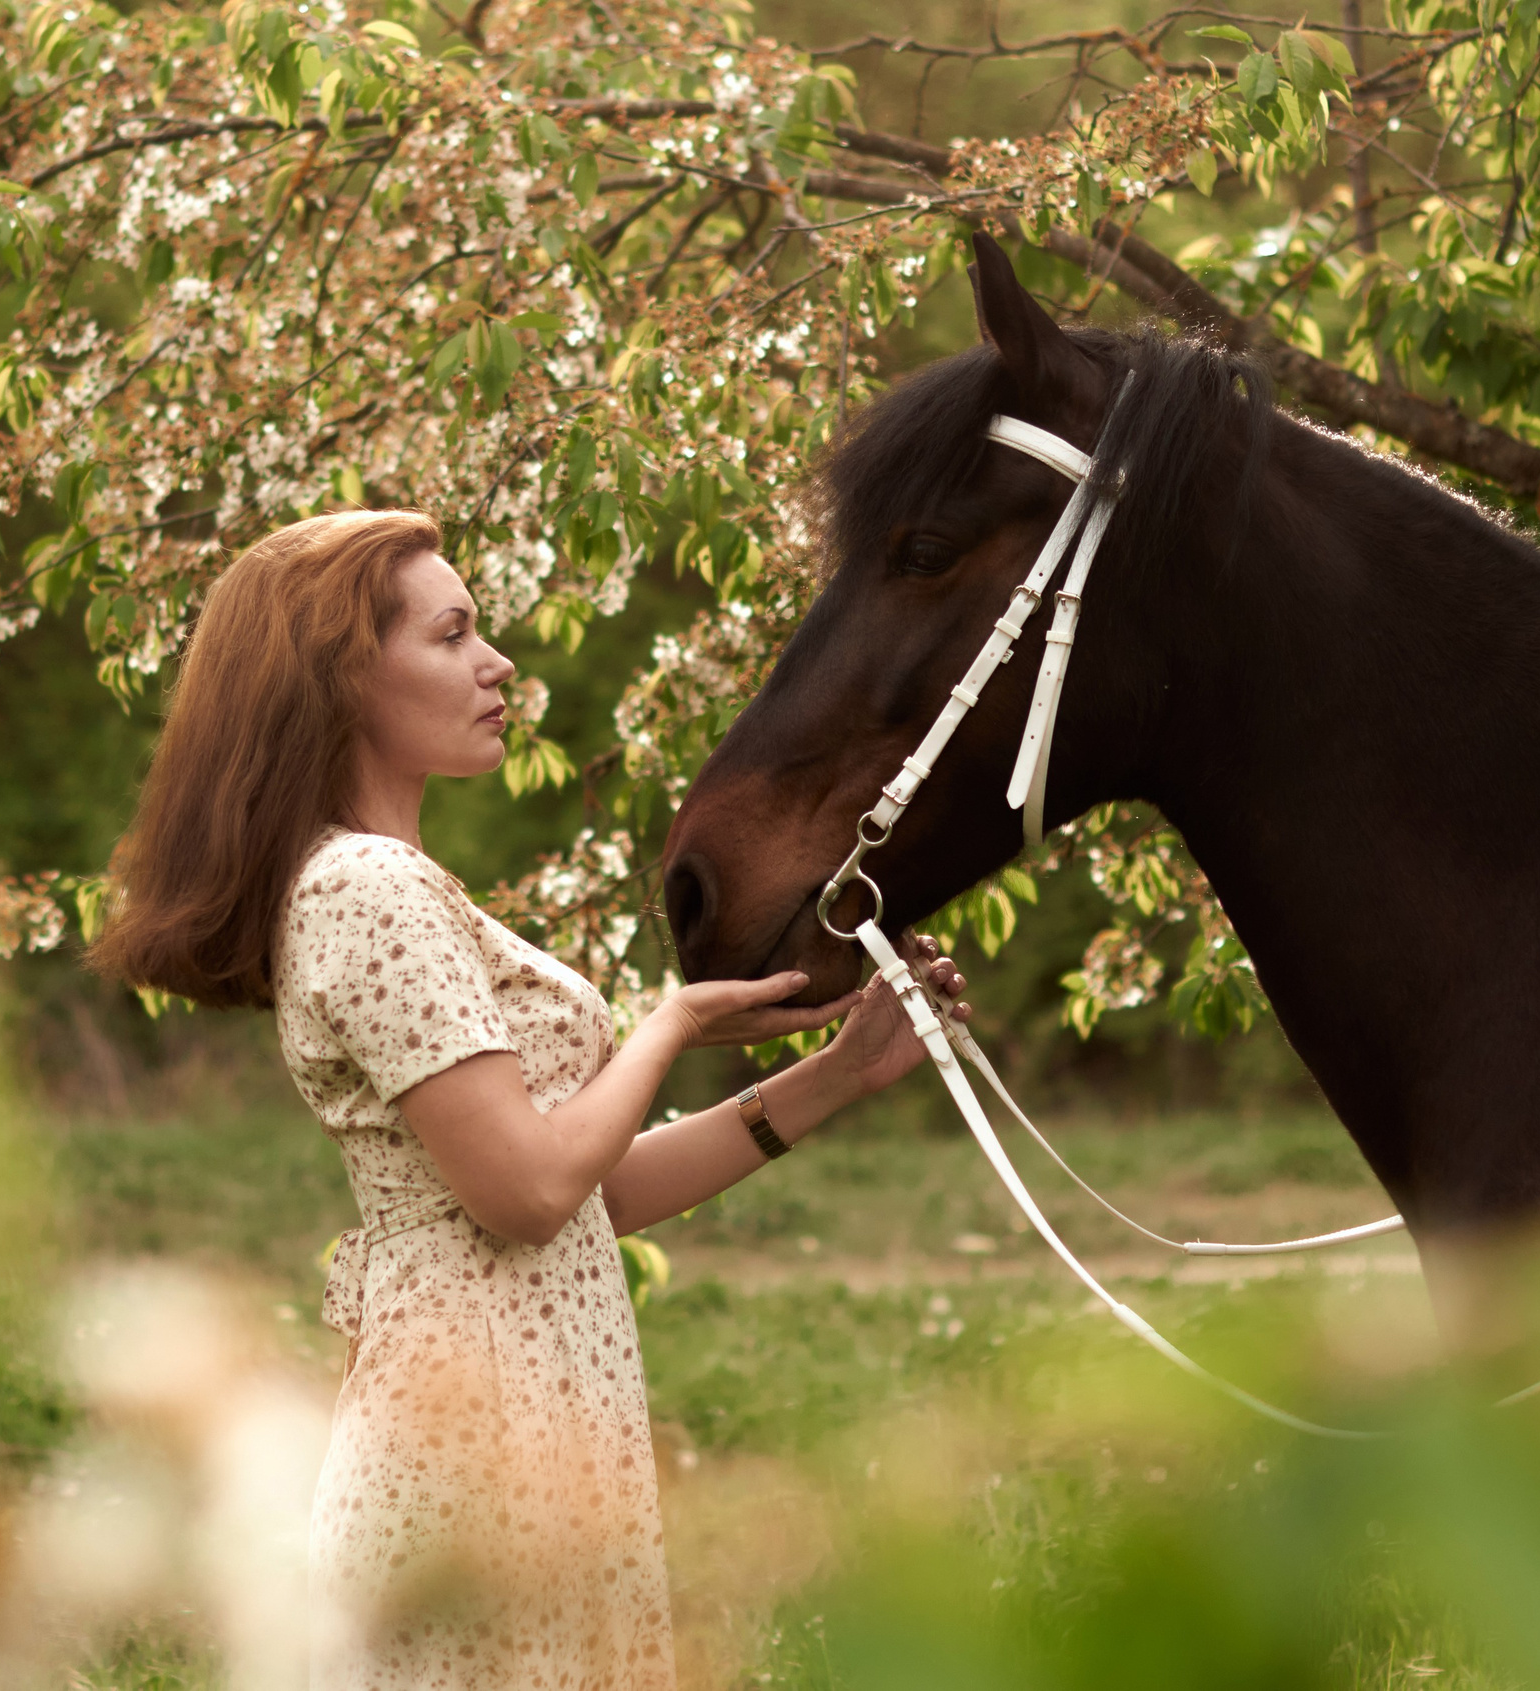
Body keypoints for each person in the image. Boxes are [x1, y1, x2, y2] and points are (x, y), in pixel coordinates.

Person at [89, 509, 968, 1688]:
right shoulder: (365, 888)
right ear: (345, 677)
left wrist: (837, 1075)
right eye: (452, 635)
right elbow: (528, 1192)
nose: (498, 663)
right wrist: (670, 1021)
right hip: (476, 1426)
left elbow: (598, 1187)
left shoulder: (396, 882)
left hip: (537, 1396)